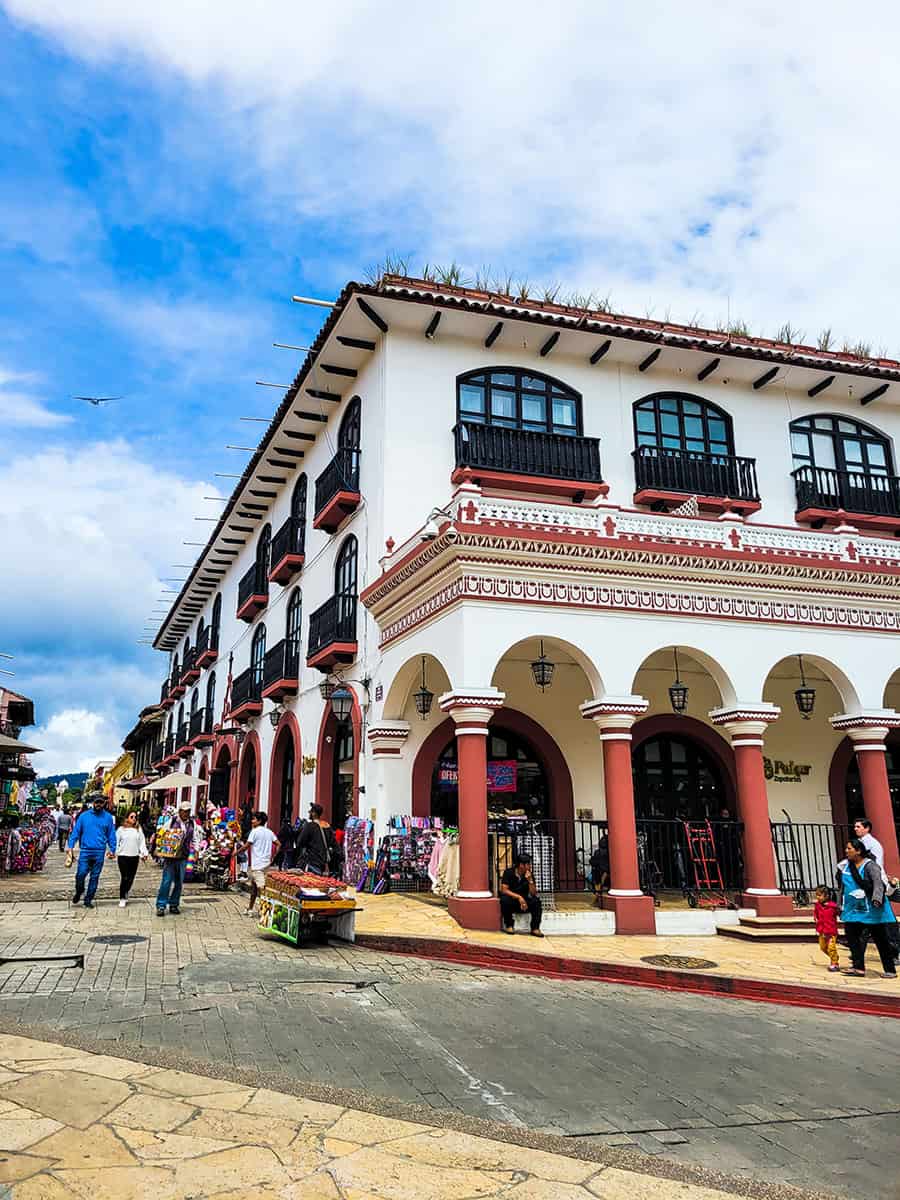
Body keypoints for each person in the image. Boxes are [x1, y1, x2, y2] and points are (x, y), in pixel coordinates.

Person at [835, 838, 897, 978]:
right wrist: (840, 904)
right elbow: (842, 887)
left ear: (858, 851)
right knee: (852, 938)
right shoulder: (846, 866)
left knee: (880, 939)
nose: (846, 851)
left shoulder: (870, 866)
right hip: (853, 909)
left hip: (872, 909)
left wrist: (876, 898)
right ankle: (858, 968)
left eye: (849, 848)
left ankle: (890, 970)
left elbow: (878, 883)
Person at [66, 793, 116, 908]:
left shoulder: (108, 817)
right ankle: (79, 891)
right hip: (85, 851)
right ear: (93, 803)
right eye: (97, 802)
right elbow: (76, 832)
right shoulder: (84, 816)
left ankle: (88, 899)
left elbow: (111, 835)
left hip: (99, 851)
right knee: (80, 874)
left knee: (95, 877)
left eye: (101, 802)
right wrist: (70, 846)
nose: (98, 804)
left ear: (104, 803)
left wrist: (113, 849)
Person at [154, 801, 195, 917]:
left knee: (179, 882)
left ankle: (174, 904)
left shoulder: (192, 824)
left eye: (188, 811)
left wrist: (195, 851)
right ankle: (161, 905)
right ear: (180, 811)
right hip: (170, 856)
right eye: (184, 811)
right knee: (166, 880)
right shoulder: (171, 821)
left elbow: (194, 837)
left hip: (183, 856)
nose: (186, 813)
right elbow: (161, 833)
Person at [240, 811, 279, 915]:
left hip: (258, 865)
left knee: (262, 889)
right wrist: (274, 856)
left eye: (254, 819)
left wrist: (236, 853)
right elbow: (279, 844)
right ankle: (250, 908)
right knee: (254, 888)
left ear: (259, 821)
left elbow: (246, 845)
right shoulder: (269, 832)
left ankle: (266, 912)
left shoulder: (255, 831)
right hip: (266, 864)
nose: (252, 821)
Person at [499, 852, 544, 937]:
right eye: (528, 864)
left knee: (536, 901)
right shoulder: (509, 873)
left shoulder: (529, 874)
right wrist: (519, 897)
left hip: (525, 902)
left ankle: (535, 928)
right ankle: (509, 925)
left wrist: (530, 881)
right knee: (504, 900)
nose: (529, 866)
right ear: (521, 865)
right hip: (513, 900)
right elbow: (504, 890)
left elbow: (533, 893)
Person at [114, 811, 149, 907]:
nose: (134, 818)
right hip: (123, 856)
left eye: (135, 817)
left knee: (131, 878)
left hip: (134, 856)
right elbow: (116, 841)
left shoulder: (138, 829)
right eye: (131, 816)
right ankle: (122, 897)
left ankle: (126, 891)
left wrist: (144, 853)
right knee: (125, 877)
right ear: (127, 818)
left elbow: (142, 842)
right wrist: (114, 852)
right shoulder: (121, 829)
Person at [295, 804, 336, 875]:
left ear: (314, 813)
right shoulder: (327, 826)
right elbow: (334, 844)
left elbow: (300, 842)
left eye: (310, 812)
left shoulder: (310, 826)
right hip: (323, 862)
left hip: (312, 861)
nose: (309, 813)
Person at [813, 885, 840, 972]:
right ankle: (834, 957)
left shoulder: (833, 907)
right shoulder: (817, 905)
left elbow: (838, 913)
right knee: (823, 947)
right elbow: (816, 913)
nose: (817, 897)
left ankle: (834, 963)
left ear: (827, 896)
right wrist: (816, 919)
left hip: (831, 931)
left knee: (831, 947)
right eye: (816, 895)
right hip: (822, 930)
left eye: (819, 895)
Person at [589, 833, 610, 906]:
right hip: (605, 872)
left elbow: (593, 861)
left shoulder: (598, 851)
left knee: (597, 885)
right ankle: (598, 897)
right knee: (600, 885)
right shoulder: (609, 851)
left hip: (598, 872)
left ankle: (597, 897)